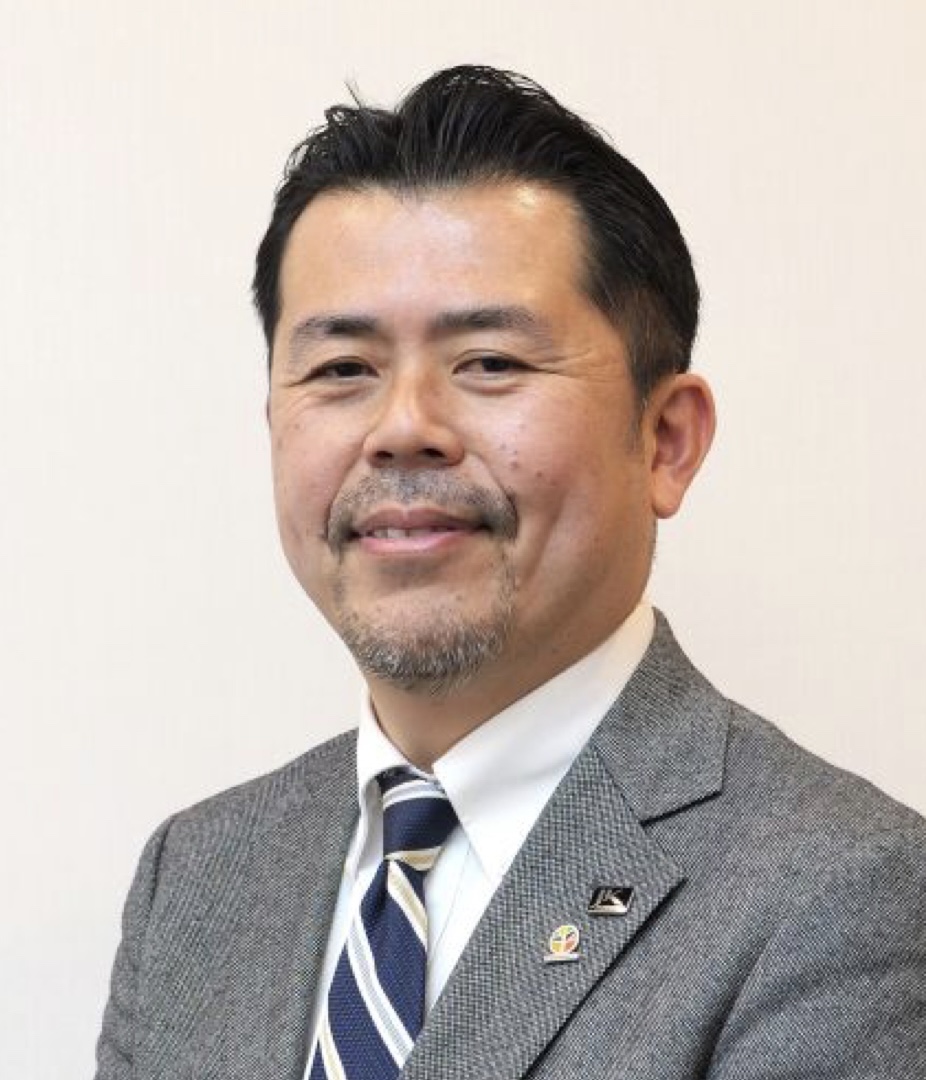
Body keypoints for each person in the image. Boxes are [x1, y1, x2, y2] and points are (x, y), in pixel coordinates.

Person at [95, 66, 926, 1080]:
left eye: (488, 362)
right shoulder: (197, 878)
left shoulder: (839, 892)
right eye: (342, 370)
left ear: (665, 441)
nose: (403, 427)